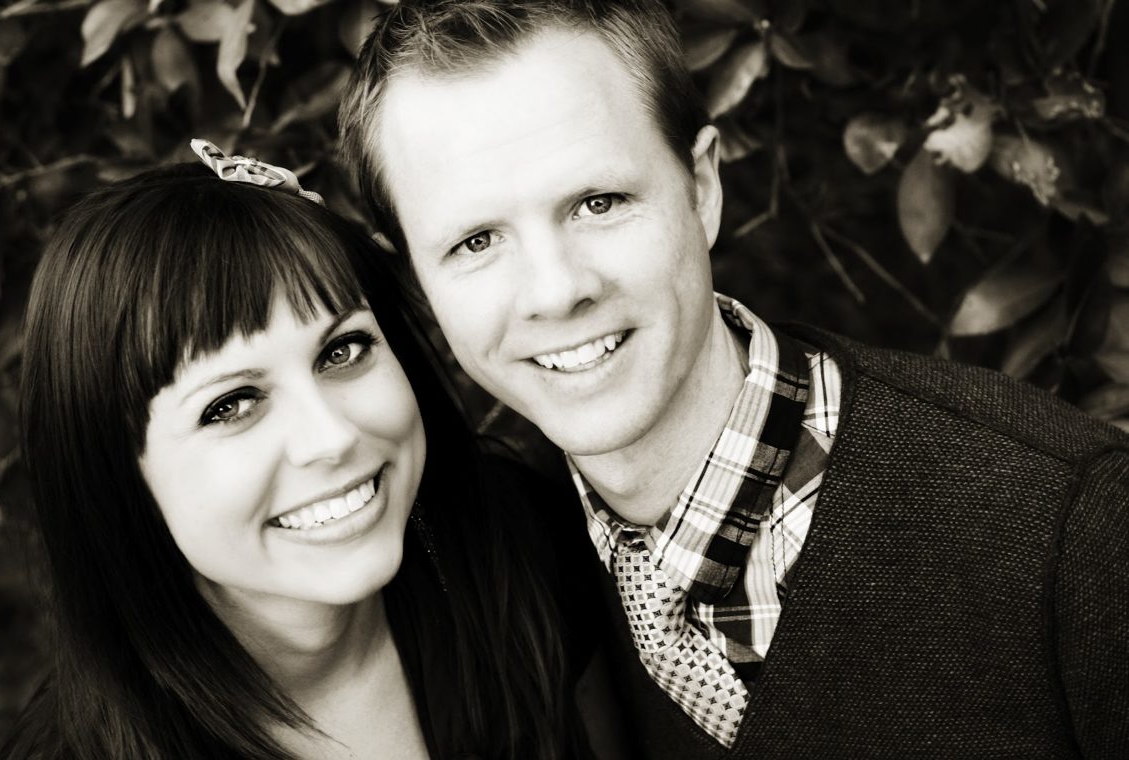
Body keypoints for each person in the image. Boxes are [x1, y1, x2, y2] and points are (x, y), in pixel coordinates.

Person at [337, 1, 1129, 757]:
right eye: (475, 242)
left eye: (598, 202)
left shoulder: (1074, 535)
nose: (555, 289)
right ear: (416, 282)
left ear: (702, 189)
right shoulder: (508, 568)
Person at [0, 145, 613, 759]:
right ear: (112, 475)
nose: (332, 436)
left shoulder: (530, 549)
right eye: (231, 406)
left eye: (342, 351)